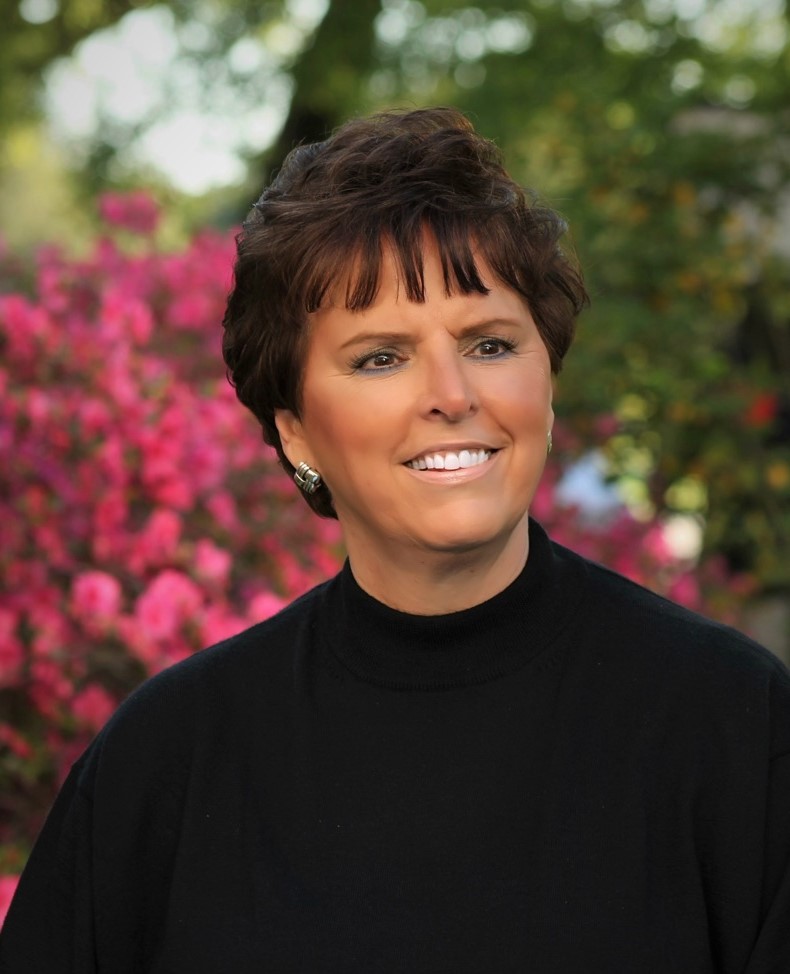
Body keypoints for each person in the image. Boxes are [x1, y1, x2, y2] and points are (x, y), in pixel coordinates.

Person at [1, 107, 789, 973]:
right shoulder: (166, 762)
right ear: (295, 430)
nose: (451, 394)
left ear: (548, 379)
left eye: (490, 344)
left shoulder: (735, 724)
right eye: (381, 357)